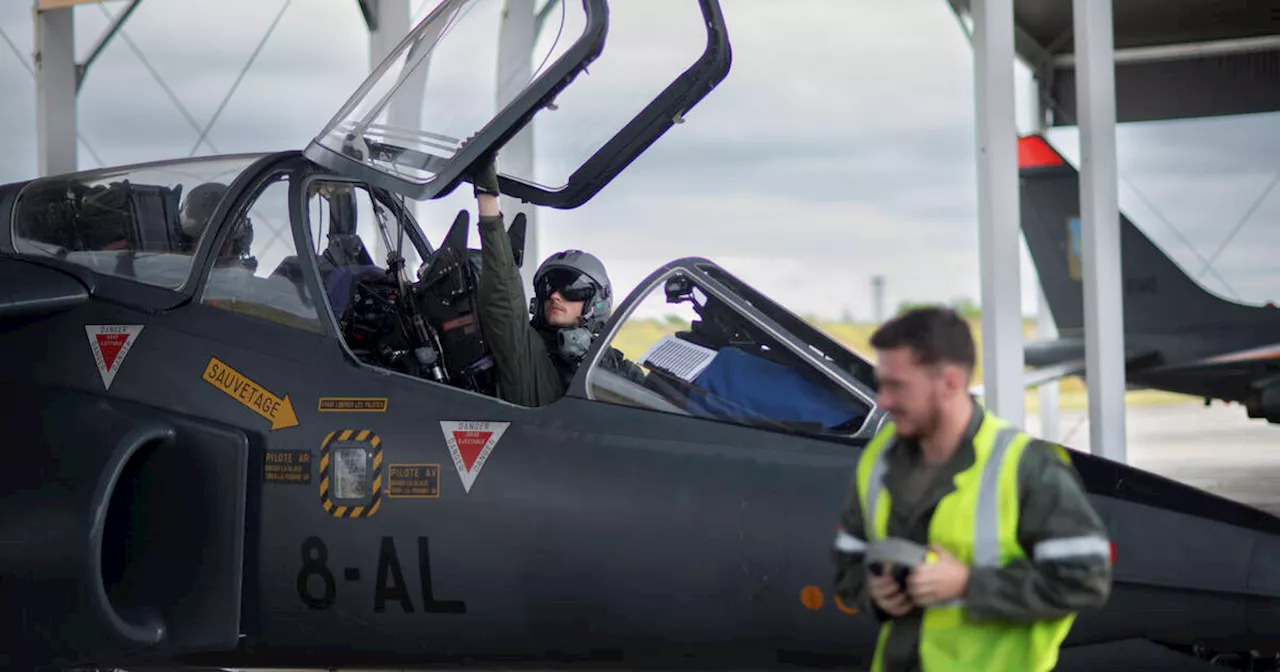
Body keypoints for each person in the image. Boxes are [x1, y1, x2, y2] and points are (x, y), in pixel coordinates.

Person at [831, 306, 1112, 672]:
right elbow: (849, 562)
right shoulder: (880, 459)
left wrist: (969, 585)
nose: (882, 401)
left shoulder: (1026, 466)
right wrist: (873, 594)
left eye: (897, 386)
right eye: (881, 383)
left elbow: (1085, 580)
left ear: (949, 383)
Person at [461, 149, 645, 407]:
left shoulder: (616, 367)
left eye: (573, 290)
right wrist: (487, 195)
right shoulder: (528, 353)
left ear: (597, 303)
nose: (556, 296)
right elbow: (504, 299)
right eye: (549, 288)